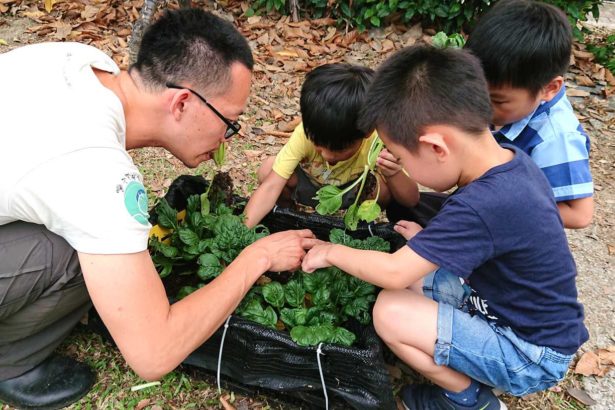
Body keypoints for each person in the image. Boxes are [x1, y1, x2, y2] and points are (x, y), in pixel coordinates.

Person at [0, 9, 317, 409]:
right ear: (182, 102)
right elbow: (154, 354)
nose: (226, 140)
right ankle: (11, 362)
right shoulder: (94, 170)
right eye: (229, 122)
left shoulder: (78, 59)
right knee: (87, 250)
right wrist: (257, 256)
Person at [302, 45, 589, 410]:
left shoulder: (485, 202)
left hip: (530, 355)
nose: (400, 165)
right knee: (412, 273)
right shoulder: (509, 164)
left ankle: (466, 399)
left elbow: (393, 273)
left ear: (436, 147)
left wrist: (332, 251)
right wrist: (430, 244)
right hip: (506, 311)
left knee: (390, 310)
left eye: (402, 158)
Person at [465, 0, 594, 229]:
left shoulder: (555, 136)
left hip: (512, 228)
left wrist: (504, 201)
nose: (480, 105)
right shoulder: (505, 100)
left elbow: (579, 215)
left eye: (496, 100)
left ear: (549, 89)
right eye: (475, 92)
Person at [243, 63, 418, 228]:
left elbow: (411, 199)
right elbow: (271, 186)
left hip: (351, 192)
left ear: (367, 132)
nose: (326, 155)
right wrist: (242, 229)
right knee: (268, 170)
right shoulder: (304, 133)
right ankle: (288, 212)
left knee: (383, 188)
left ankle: (358, 222)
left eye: (338, 149)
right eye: (318, 145)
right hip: (309, 187)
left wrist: (394, 173)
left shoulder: (378, 142)